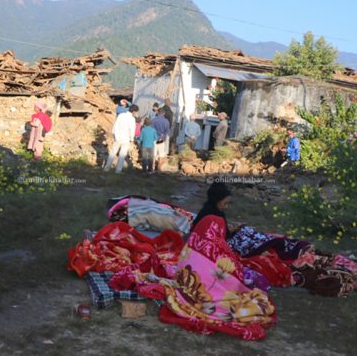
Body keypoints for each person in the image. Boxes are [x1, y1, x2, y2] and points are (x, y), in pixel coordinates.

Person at [159, 181, 276, 340]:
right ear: (216, 200)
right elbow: (214, 241)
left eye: (229, 204)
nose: (227, 207)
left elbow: (215, 239)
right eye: (225, 203)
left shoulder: (212, 213)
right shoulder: (212, 216)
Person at [104, 105, 138, 173]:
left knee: (113, 152)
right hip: (126, 138)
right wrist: (132, 139)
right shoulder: (132, 119)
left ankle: (106, 168)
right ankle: (118, 170)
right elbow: (132, 130)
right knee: (122, 155)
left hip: (118, 137)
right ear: (134, 111)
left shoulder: (121, 115)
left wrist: (114, 133)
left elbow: (115, 125)